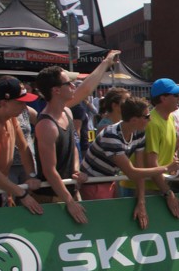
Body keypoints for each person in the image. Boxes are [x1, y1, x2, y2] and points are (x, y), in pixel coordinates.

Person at [32, 50, 121, 224]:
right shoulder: (46, 125)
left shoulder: (67, 111)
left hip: (68, 192)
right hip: (51, 197)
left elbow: (73, 145)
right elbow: (50, 171)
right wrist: (70, 201)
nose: (74, 86)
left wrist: (75, 169)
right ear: (56, 90)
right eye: (69, 83)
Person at [80, 97, 179, 228]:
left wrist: (141, 202)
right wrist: (167, 168)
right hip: (93, 182)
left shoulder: (139, 133)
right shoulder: (111, 136)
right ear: (134, 120)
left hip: (110, 180)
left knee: (114, 223)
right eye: (147, 116)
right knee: (102, 225)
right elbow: (132, 172)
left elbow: (139, 169)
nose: (150, 119)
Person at [0, 77, 43, 214]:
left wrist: (31, 175)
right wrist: (21, 193)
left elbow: (23, 148)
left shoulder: (12, 119)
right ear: (3, 103)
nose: (24, 107)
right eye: (20, 102)